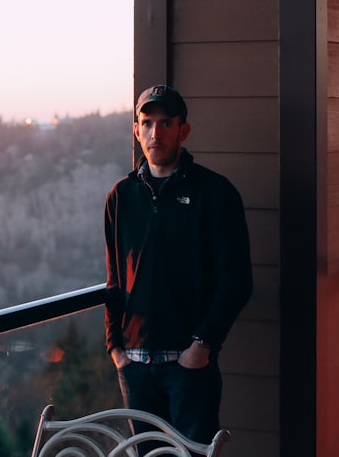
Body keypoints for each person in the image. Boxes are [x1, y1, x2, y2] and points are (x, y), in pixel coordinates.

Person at [104, 84, 253, 444]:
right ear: (137, 130)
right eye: (148, 123)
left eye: (166, 122)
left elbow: (237, 282)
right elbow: (113, 280)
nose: (157, 133)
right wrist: (116, 349)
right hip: (135, 367)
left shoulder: (215, 193)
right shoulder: (121, 197)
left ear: (182, 130)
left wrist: (201, 347)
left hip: (189, 367)